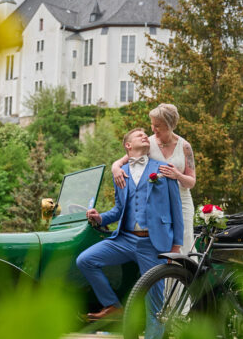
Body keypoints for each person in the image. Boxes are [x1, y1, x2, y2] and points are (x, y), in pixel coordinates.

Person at [76, 128, 184, 321]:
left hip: (153, 243)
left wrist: (176, 245)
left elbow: (176, 209)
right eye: (138, 135)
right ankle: (112, 306)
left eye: (145, 134)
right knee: (85, 260)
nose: (144, 136)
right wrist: (99, 218)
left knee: (155, 303)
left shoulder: (163, 169)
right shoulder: (121, 172)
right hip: (124, 239)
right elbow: (119, 209)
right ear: (128, 145)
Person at [112, 103, 197, 251]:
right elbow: (123, 160)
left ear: (169, 125)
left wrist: (177, 175)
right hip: (159, 202)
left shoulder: (185, 147)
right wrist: (115, 169)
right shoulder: (148, 143)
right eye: (152, 124)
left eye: (157, 126)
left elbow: (191, 182)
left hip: (182, 201)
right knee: (162, 245)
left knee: (184, 242)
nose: (153, 129)